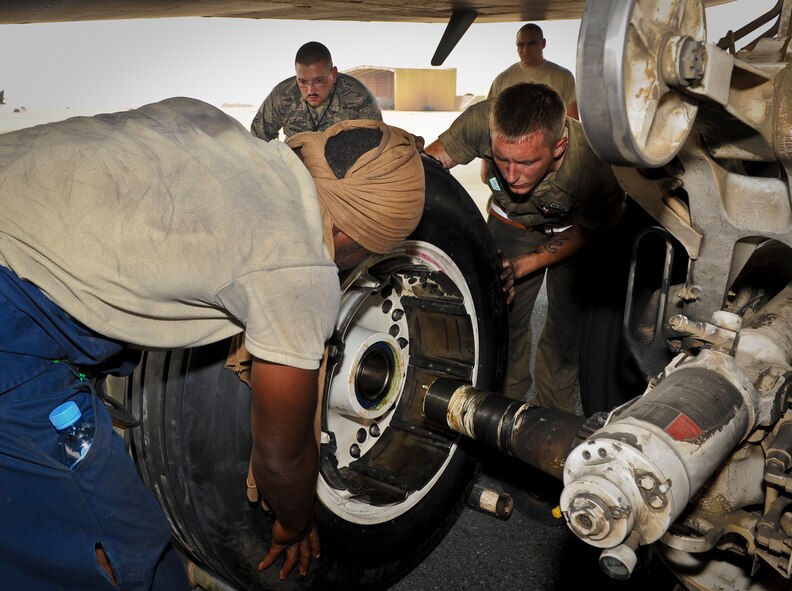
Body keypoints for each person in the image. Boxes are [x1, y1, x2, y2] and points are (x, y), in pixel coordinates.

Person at [0, 97, 424, 589]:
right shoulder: (297, 268)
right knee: (132, 560)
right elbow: (280, 455)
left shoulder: (208, 122)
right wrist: (296, 521)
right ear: (356, 237)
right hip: (13, 320)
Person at [424, 82, 625, 413]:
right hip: (510, 225)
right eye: (502, 160)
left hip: (571, 233)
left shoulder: (592, 163)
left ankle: (552, 418)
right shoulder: (481, 122)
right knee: (502, 320)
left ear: (558, 147)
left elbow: (591, 232)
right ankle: (502, 405)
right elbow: (430, 165)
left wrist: (520, 266)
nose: (512, 176)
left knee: (565, 331)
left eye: (527, 162)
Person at [251, 41, 382, 141]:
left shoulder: (359, 97)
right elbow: (258, 139)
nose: (310, 90)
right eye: (302, 81)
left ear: (334, 75)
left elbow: (375, 144)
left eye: (319, 81)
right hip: (294, 167)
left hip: (346, 170)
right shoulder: (282, 94)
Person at [487, 23, 578, 119]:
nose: (525, 49)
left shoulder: (563, 76)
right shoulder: (502, 79)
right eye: (520, 45)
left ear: (543, 43)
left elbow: (573, 121)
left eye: (531, 44)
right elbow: (488, 117)